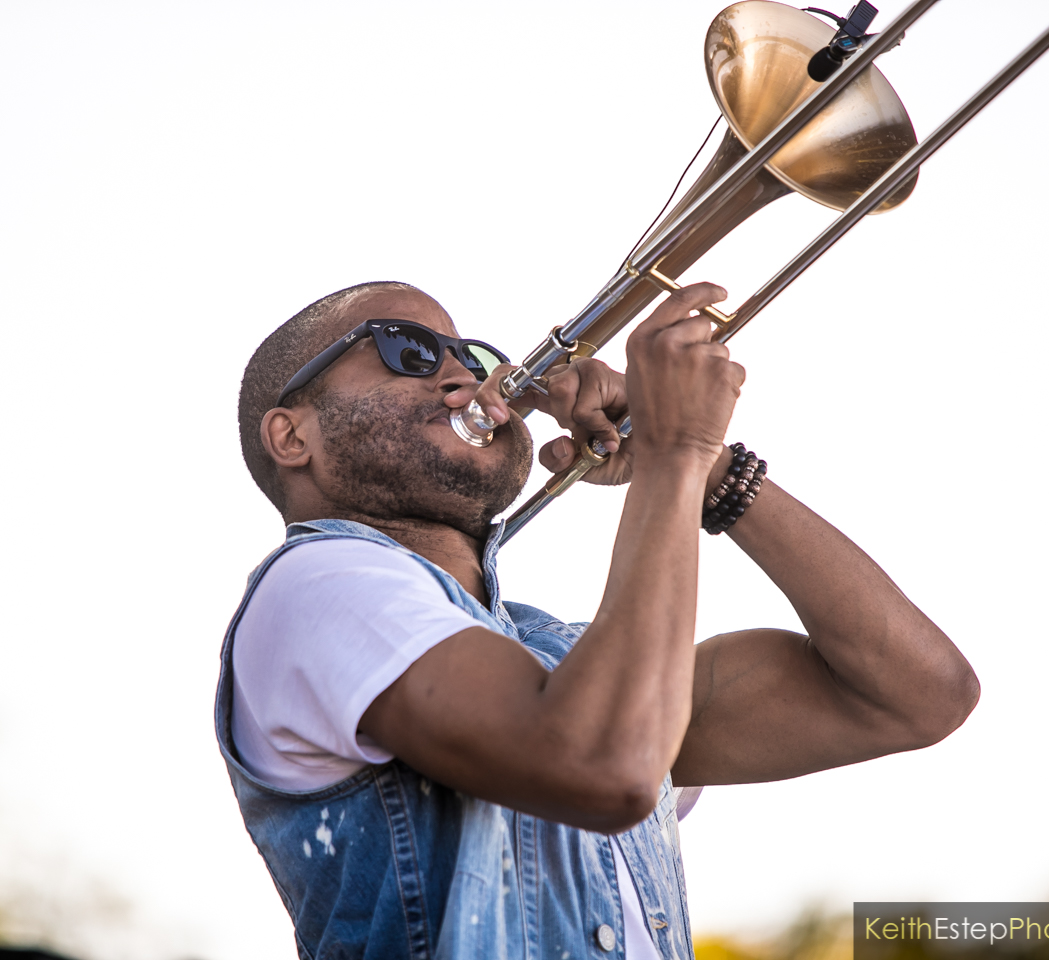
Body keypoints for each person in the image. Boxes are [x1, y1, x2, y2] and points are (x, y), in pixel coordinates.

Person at [218, 279, 979, 960]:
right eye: (407, 349)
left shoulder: (566, 654)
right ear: (293, 436)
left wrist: (707, 470)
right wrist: (680, 449)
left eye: (473, 357)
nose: (465, 376)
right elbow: (605, 768)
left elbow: (917, 693)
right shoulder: (313, 583)